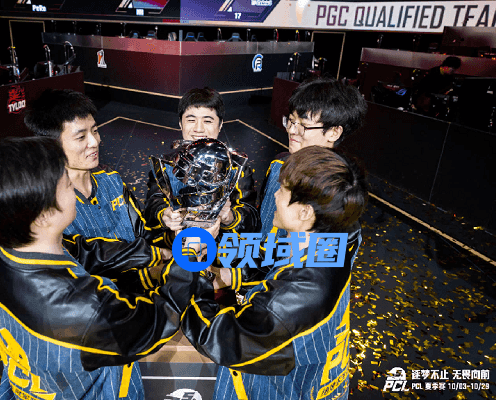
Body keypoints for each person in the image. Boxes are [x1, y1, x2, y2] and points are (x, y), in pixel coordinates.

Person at [0, 136, 202, 400]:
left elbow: (85, 251)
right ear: (44, 214)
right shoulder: (81, 308)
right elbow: (155, 322)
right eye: (66, 183)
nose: (74, 187)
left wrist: (156, 254)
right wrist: (191, 254)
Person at [182, 146, 368, 400]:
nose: (275, 195)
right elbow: (271, 253)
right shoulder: (333, 238)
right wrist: (223, 266)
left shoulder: (288, 301)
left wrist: (193, 268)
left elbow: (217, 338)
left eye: (283, 190)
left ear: (305, 212)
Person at [25, 89, 167, 287]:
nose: (95, 142)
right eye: (81, 137)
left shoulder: (112, 180)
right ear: (52, 146)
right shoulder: (48, 207)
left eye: (95, 131)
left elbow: (142, 232)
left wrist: (174, 235)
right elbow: (78, 268)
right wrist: (152, 272)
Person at [145, 87, 259, 247]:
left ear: (220, 125)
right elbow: (152, 204)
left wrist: (229, 217)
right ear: (180, 123)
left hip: (221, 251)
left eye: (208, 121)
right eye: (191, 120)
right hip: (175, 248)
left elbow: (252, 218)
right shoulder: (167, 164)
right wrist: (165, 215)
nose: (198, 129)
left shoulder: (236, 168)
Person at [259, 77, 367, 242]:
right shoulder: (278, 165)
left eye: (303, 125)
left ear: (333, 132)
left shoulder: (341, 195)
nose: (292, 130)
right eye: (291, 121)